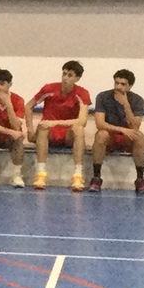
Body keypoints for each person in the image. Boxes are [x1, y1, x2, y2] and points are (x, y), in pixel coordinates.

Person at [28, 60, 91, 191]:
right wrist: (30, 130)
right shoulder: (49, 89)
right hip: (50, 133)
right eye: (64, 74)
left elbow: (82, 121)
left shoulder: (82, 93)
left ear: (77, 78)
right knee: (43, 127)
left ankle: (78, 175)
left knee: (79, 130)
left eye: (70, 75)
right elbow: (28, 106)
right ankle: (41, 173)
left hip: (67, 133)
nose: (65, 78)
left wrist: (55, 122)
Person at [89, 69, 144, 194]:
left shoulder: (137, 100)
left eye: (123, 84)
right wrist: (122, 129)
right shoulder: (103, 97)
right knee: (101, 135)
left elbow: (135, 126)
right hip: (110, 135)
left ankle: (140, 179)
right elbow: (100, 124)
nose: (119, 87)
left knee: (139, 136)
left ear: (130, 86)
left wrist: (126, 105)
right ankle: (96, 178)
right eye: (116, 83)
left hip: (127, 138)